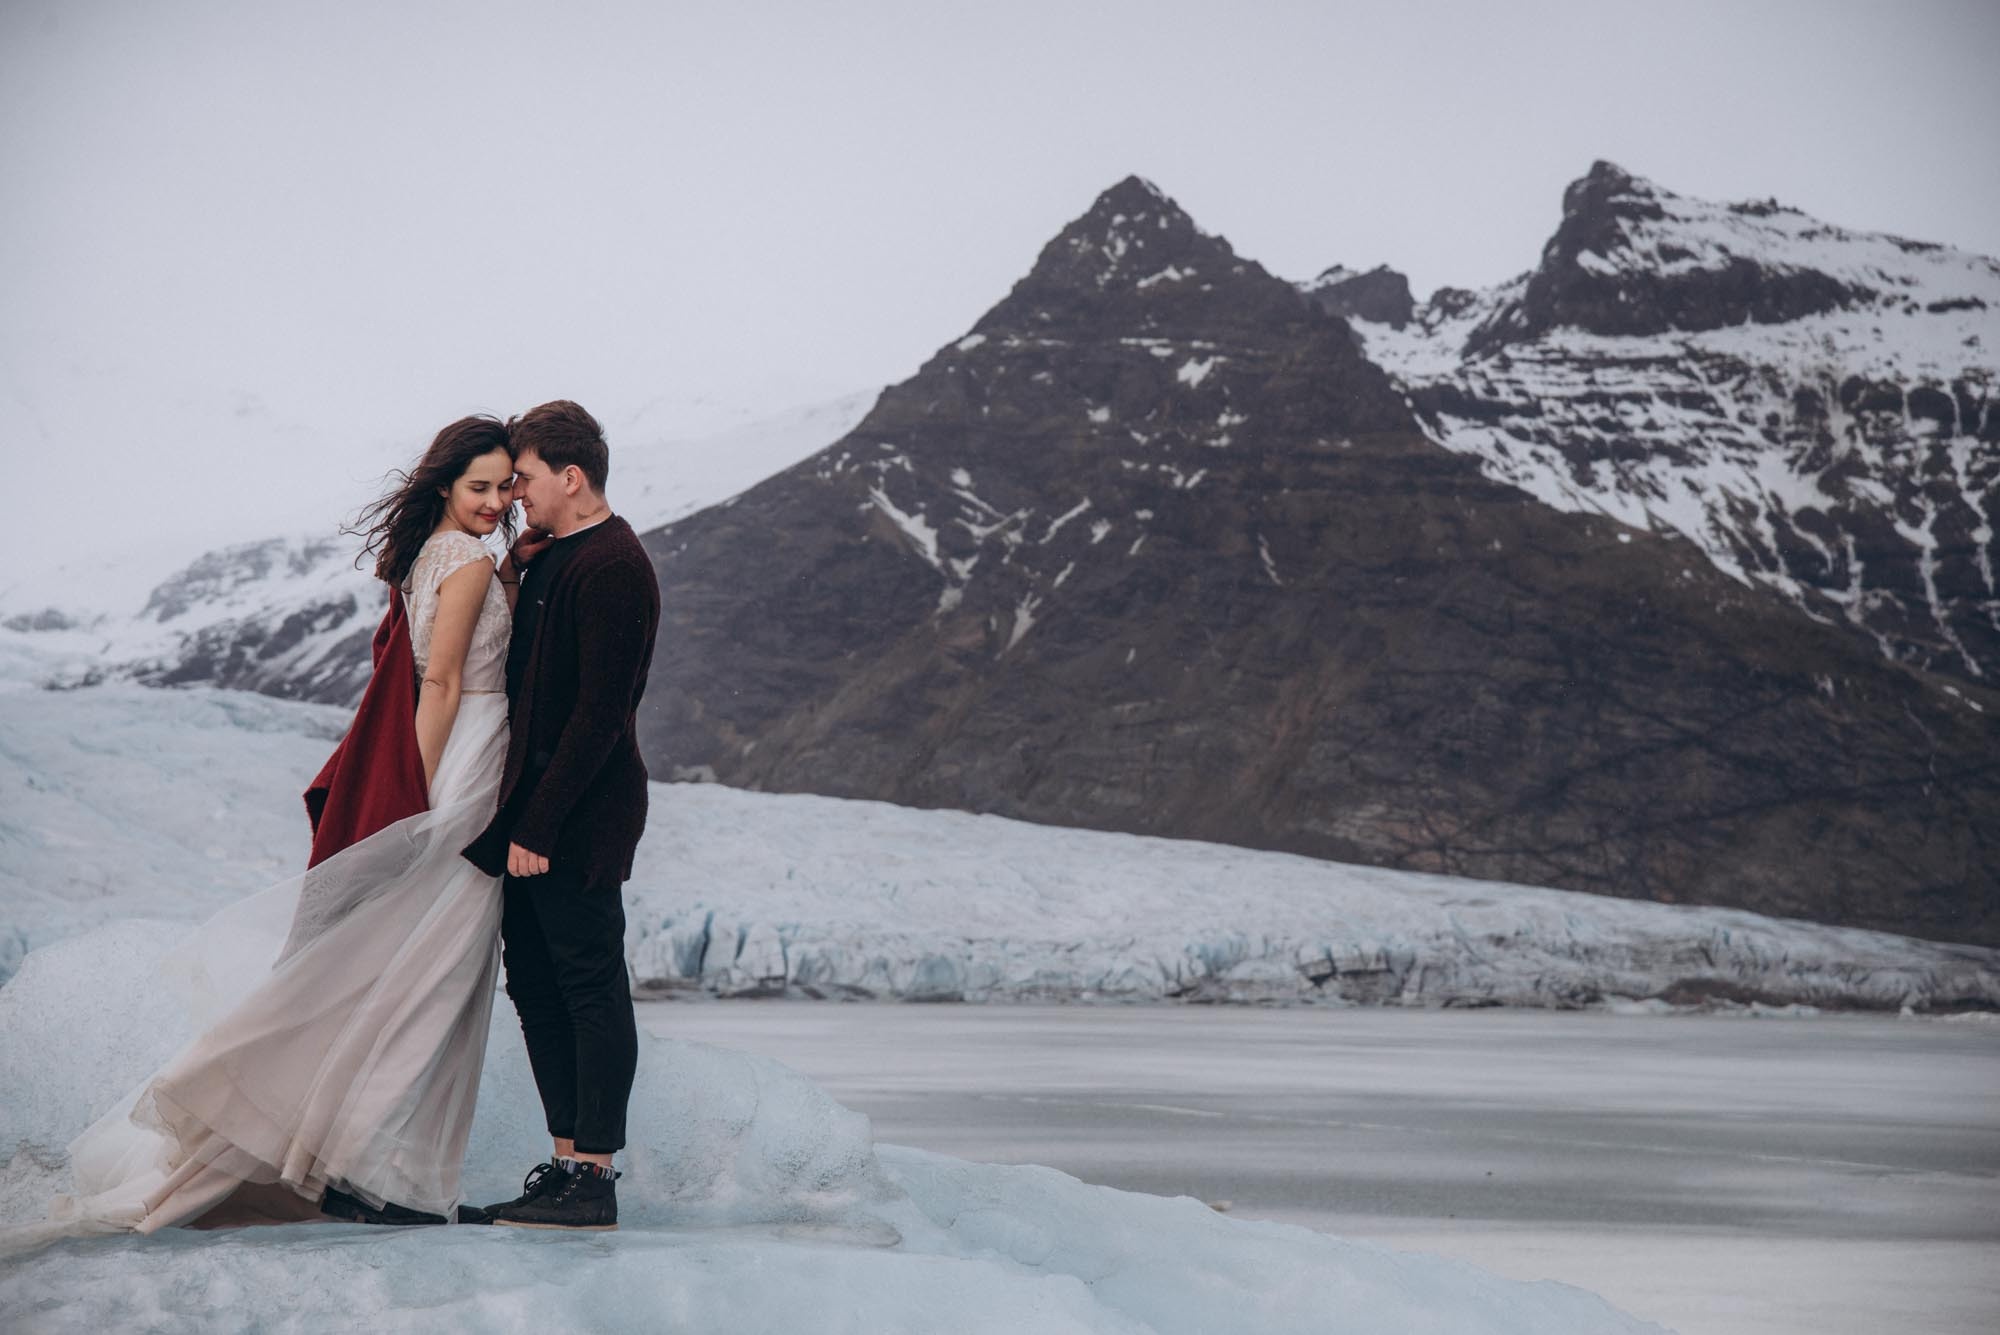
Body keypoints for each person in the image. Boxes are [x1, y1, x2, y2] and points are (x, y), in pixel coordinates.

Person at [19, 415, 528, 1244]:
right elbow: (436, 688)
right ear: (445, 485)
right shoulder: (468, 563)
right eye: (481, 486)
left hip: (458, 758)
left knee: (393, 968)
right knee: (434, 977)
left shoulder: (428, 556)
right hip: (464, 766)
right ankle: (381, 1172)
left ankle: (359, 1164)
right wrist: (422, 800)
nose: (496, 501)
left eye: (506, 486)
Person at [462, 400, 660, 1231]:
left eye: (527, 479)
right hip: (531, 815)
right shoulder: (555, 556)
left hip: (575, 818)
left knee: (587, 984)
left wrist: (538, 828)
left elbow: (599, 715)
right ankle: (568, 1162)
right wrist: (517, 567)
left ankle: (597, 1177)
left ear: (571, 477)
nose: (515, 496)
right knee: (538, 987)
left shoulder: (613, 564)